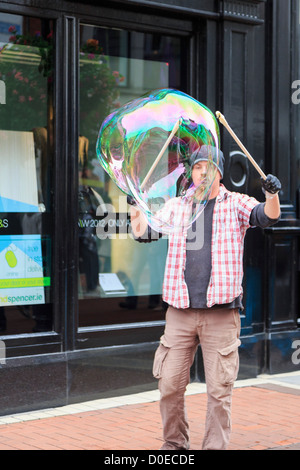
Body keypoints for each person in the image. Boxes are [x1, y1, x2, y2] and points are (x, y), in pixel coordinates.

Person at [129, 145, 281, 450]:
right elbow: (144, 232)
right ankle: (174, 444)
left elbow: (267, 216)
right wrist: (135, 208)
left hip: (221, 316)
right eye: (198, 166)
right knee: (170, 386)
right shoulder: (177, 206)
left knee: (219, 390)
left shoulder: (236, 203)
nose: (202, 172)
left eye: (209, 166)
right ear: (191, 172)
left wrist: (272, 194)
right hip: (180, 313)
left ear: (220, 173)